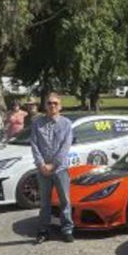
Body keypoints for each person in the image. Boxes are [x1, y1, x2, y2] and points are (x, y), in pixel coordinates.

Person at [30, 93, 74, 244]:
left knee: (65, 200)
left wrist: (53, 164)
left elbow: (65, 147)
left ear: (60, 106)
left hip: (60, 168)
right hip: (43, 170)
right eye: (49, 103)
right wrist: (41, 164)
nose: (52, 106)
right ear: (45, 105)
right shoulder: (37, 123)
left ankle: (67, 229)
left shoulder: (66, 124)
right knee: (44, 202)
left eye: (55, 103)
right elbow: (34, 145)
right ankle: (43, 230)